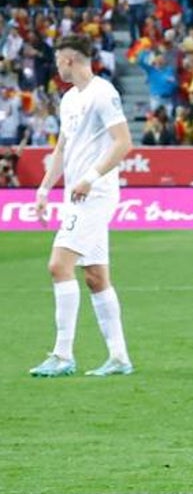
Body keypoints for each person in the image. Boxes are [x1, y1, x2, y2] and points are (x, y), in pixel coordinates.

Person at [30, 34, 134, 378]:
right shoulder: (69, 99)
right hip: (77, 194)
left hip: (95, 193)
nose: (57, 66)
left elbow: (123, 143)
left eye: (59, 60)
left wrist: (89, 177)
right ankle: (119, 358)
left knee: (58, 265)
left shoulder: (104, 94)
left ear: (70, 60)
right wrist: (45, 188)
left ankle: (63, 354)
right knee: (95, 277)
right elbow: (62, 148)